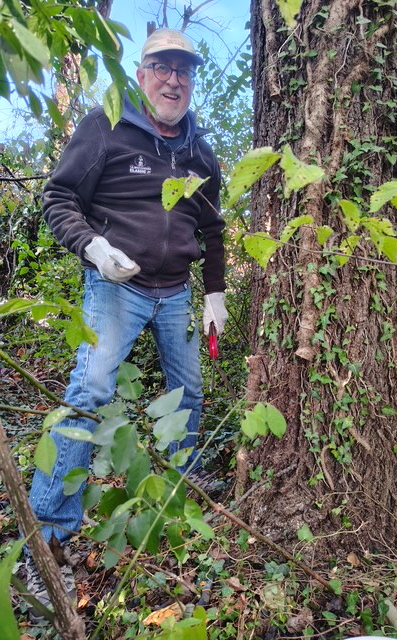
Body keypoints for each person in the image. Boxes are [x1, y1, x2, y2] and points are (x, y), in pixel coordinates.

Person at [25, 28, 227, 613]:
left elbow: (211, 229)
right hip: (120, 287)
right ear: (141, 74)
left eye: (184, 71)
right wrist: (92, 248)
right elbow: (59, 197)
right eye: (162, 67)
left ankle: (181, 484)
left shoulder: (198, 150)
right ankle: (50, 530)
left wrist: (215, 293)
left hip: (179, 293)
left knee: (188, 390)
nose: (174, 80)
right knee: (89, 390)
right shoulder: (105, 125)